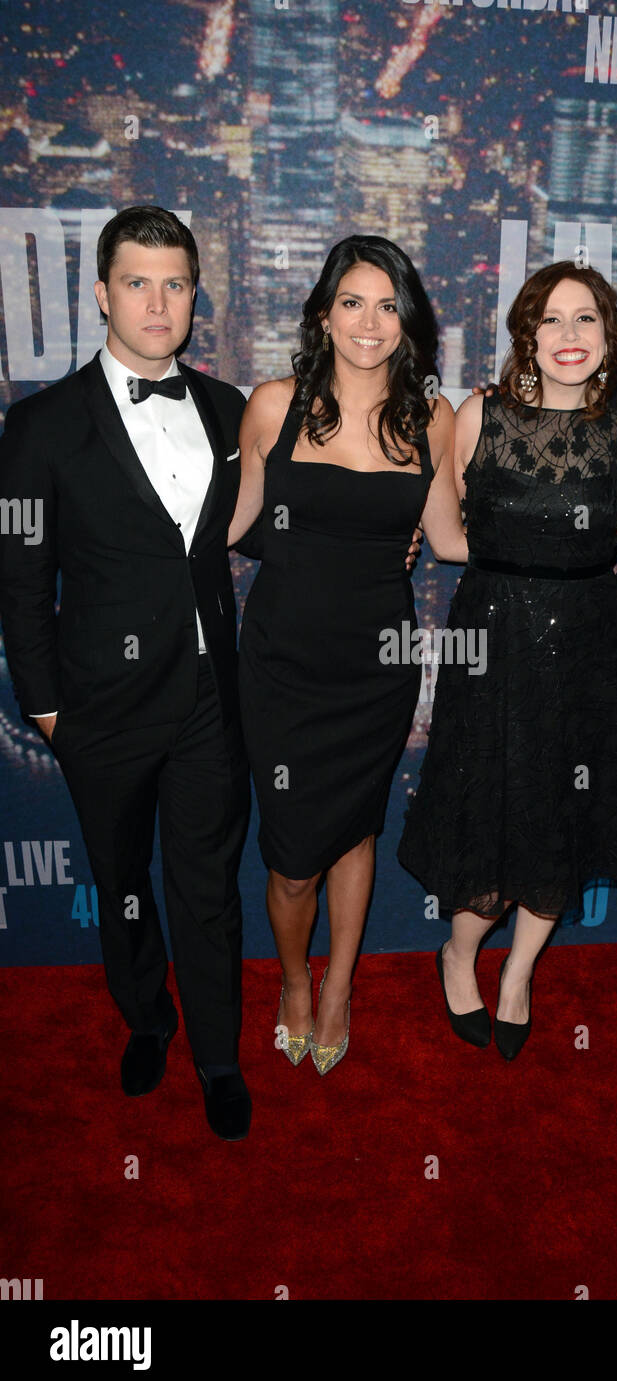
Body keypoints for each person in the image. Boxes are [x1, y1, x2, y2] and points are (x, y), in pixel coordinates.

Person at [0, 206, 253, 1139]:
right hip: (99, 709)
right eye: (138, 283)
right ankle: (148, 1018)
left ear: (195, 297)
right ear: (102, 294)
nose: (158, 302)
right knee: (124, 883)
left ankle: (218, 1057)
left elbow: (275, 525)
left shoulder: (230, 410)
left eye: (175, 283)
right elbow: (19, 579)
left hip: (209, 701)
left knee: (207, 885)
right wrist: (49, 711)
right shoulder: (39, 426)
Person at [228, 234, 467, 1075]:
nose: (371, 322)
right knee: (293, 858)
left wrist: (577, 524)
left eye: (389, 304)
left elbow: (447, 538)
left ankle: (338, 990)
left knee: (356, 834)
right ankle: (295, 980)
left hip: (377, 670)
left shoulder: (431, 419)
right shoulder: (273, 406)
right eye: (353, 302)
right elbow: (229, 526)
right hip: (282, 665)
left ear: (408, 319)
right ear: (324, 313)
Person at [397, 263, 617, 1059]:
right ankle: (460, 953)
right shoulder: (480, 415)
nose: (568, 337)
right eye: (551, 320)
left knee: (563, 815)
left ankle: (520, 975)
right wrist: (521, 565)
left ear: (609, 338)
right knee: (492, 810)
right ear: (526, 336)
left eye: (586, 320)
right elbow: (442, 539)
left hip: (588, 647)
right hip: (494, 642)